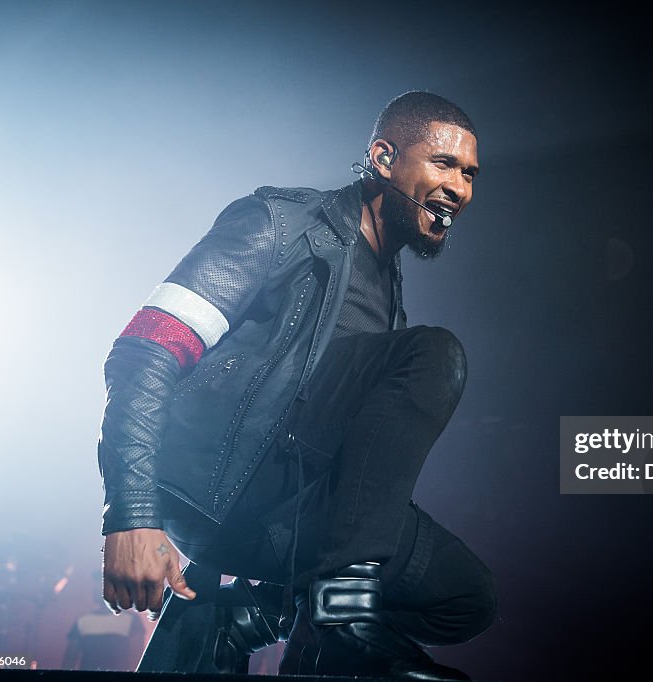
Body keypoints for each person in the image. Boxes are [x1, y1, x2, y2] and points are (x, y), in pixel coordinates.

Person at [97, 91, 496, 680]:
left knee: (467, 597)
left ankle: (252, 620)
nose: (460, 189)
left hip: (305, 509)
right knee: (438, 353)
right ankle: (337, 614)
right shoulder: (279, 225)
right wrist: (131, 513)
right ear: (384, 158)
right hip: (228, 493)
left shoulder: (389, 293)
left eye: (469, 175)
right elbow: (144, 351)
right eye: (444, 165)